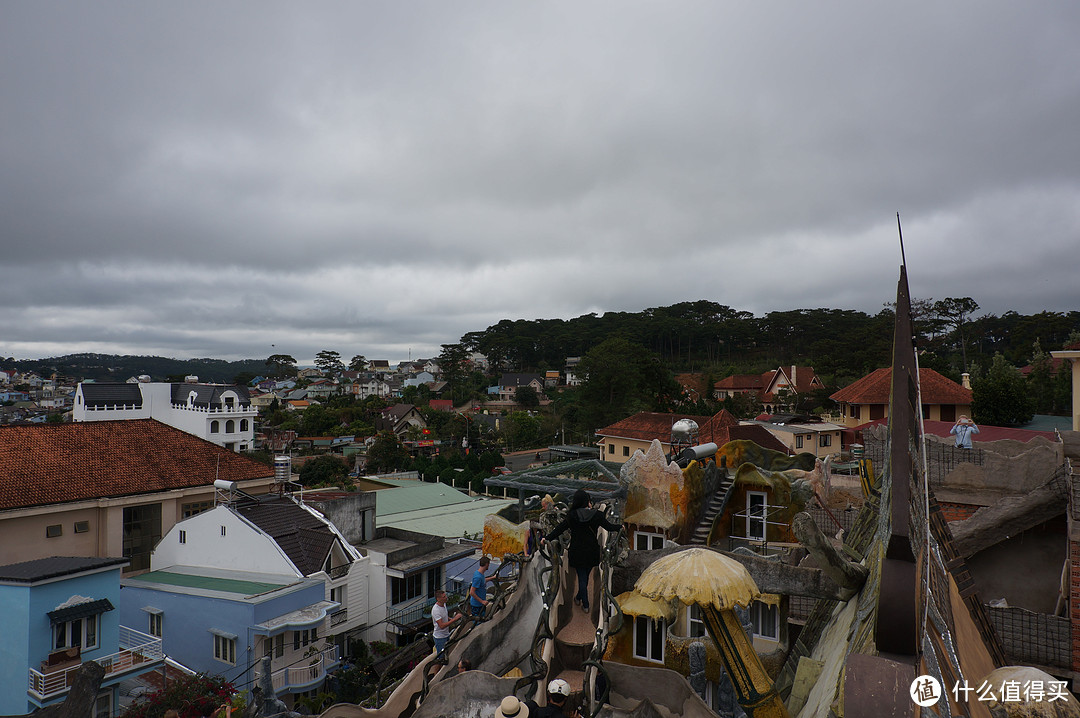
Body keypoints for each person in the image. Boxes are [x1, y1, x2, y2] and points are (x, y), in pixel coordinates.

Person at [544, 489, 621, 613]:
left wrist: (546, 538)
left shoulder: (572, 515)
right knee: (585, 577)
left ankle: (583, 603)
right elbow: (609, 527)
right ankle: (583, 601)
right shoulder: (597, 515)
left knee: (582, 577)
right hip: (592, 551)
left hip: (577, 551)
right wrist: (620, 527)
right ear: (587, 501)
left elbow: (559, 529)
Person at [431, 589, 462, 661]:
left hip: (446, 634)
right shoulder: (436, 610)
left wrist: (450, 619)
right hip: (440, 637)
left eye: (445, 596)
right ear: (438, 599)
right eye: (443, 597)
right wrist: (454, 619)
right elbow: (441, 626)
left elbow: (444, 616)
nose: (446, 598)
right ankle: (437, 672)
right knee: (440, 658)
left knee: (447, 654)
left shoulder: (443, 604)